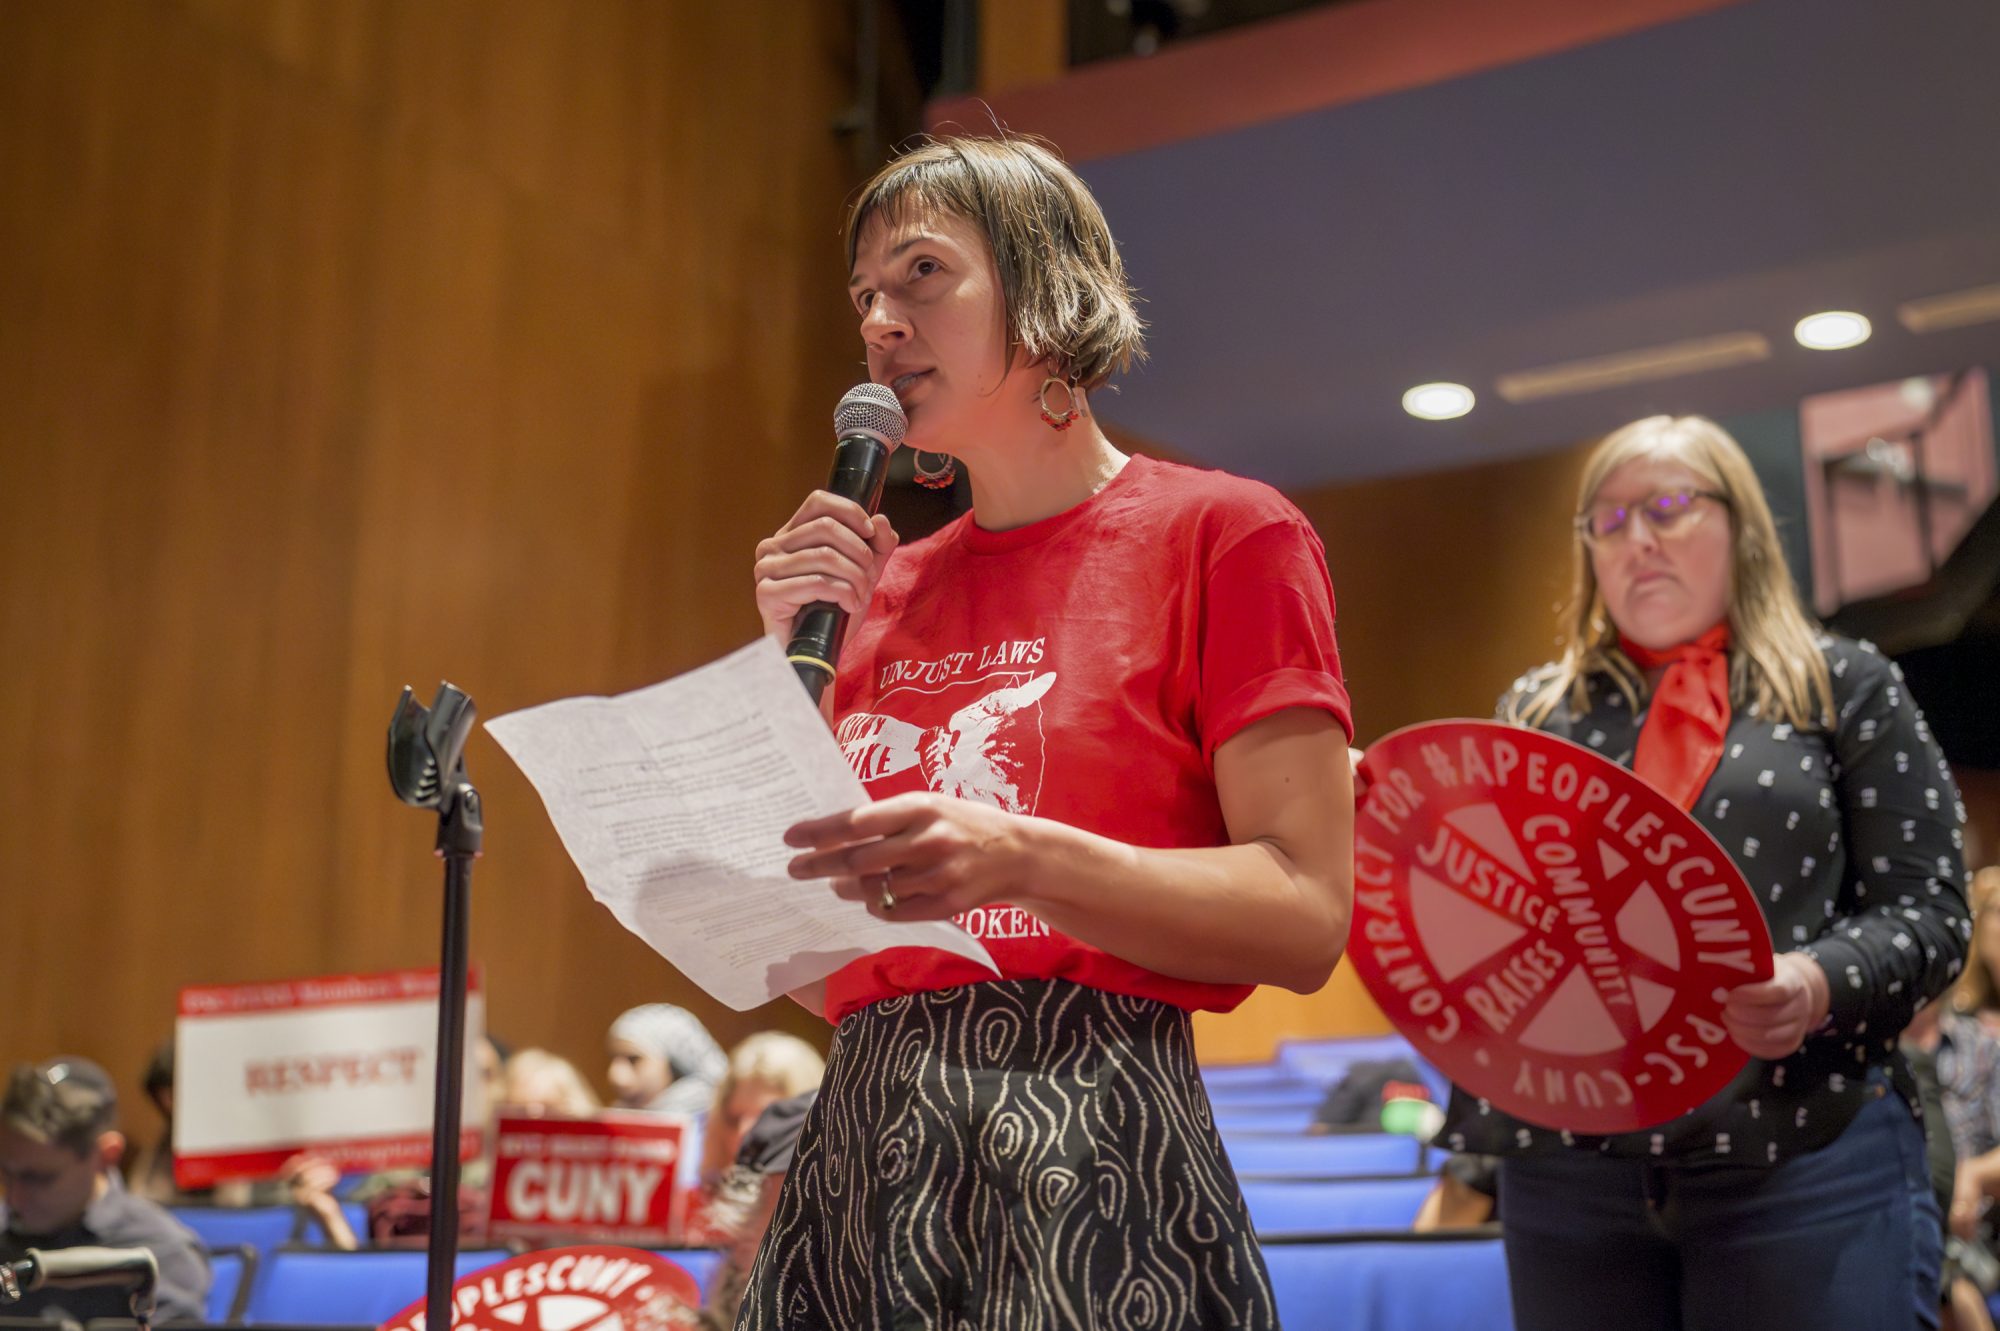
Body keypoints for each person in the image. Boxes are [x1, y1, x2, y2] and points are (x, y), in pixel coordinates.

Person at [742, 134, 1354, 1329]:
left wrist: (1024, 858)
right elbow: (824, 977)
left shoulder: (1225, 533)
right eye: (864, 293)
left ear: (1046, 284)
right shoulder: (872, 594)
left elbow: (1303, 914)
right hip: (866, 1144)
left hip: (1097, 1133)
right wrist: (779, 666)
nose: (879, 320)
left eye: (921, 273)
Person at [1431, 414, 1970, 1330]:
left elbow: (1931, 911)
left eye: (1670, 506)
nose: (1637, 538)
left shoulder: (1844, 683)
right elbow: (1493, 918)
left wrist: (1814, 981)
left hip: (1804, 1148)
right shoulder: (1537, 709)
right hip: (1571, 1174)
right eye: (1608, 520)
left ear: (1744, 526)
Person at [0, 1057, 210, 1321]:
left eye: (39, 1178)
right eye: (5, 1171)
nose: (14, 1199)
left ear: (106, 1156)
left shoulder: (159, 1253)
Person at [607, 1004, 727, 1118]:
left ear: (674, 1064)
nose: (616, 1077)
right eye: (613, 1059)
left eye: (634, 1060)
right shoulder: (620, 1120)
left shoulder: (719, 1121)